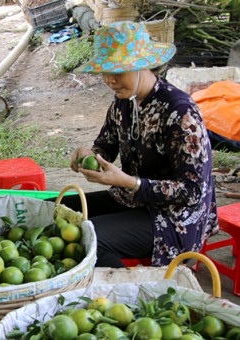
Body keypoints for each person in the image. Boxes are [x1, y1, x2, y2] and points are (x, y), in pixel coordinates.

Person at [54, 21, 218, 268]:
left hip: (176, 218)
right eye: (105, 72)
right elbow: (105, 145)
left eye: (117, 72)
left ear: (142, 66)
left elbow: (191, 192)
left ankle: (128, 297)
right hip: (131, 199)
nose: (110, 80)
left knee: (89, 238)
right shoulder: (123, 102)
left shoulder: (180, 112)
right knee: (56, 211)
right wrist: (91, 155)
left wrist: (129, 182)